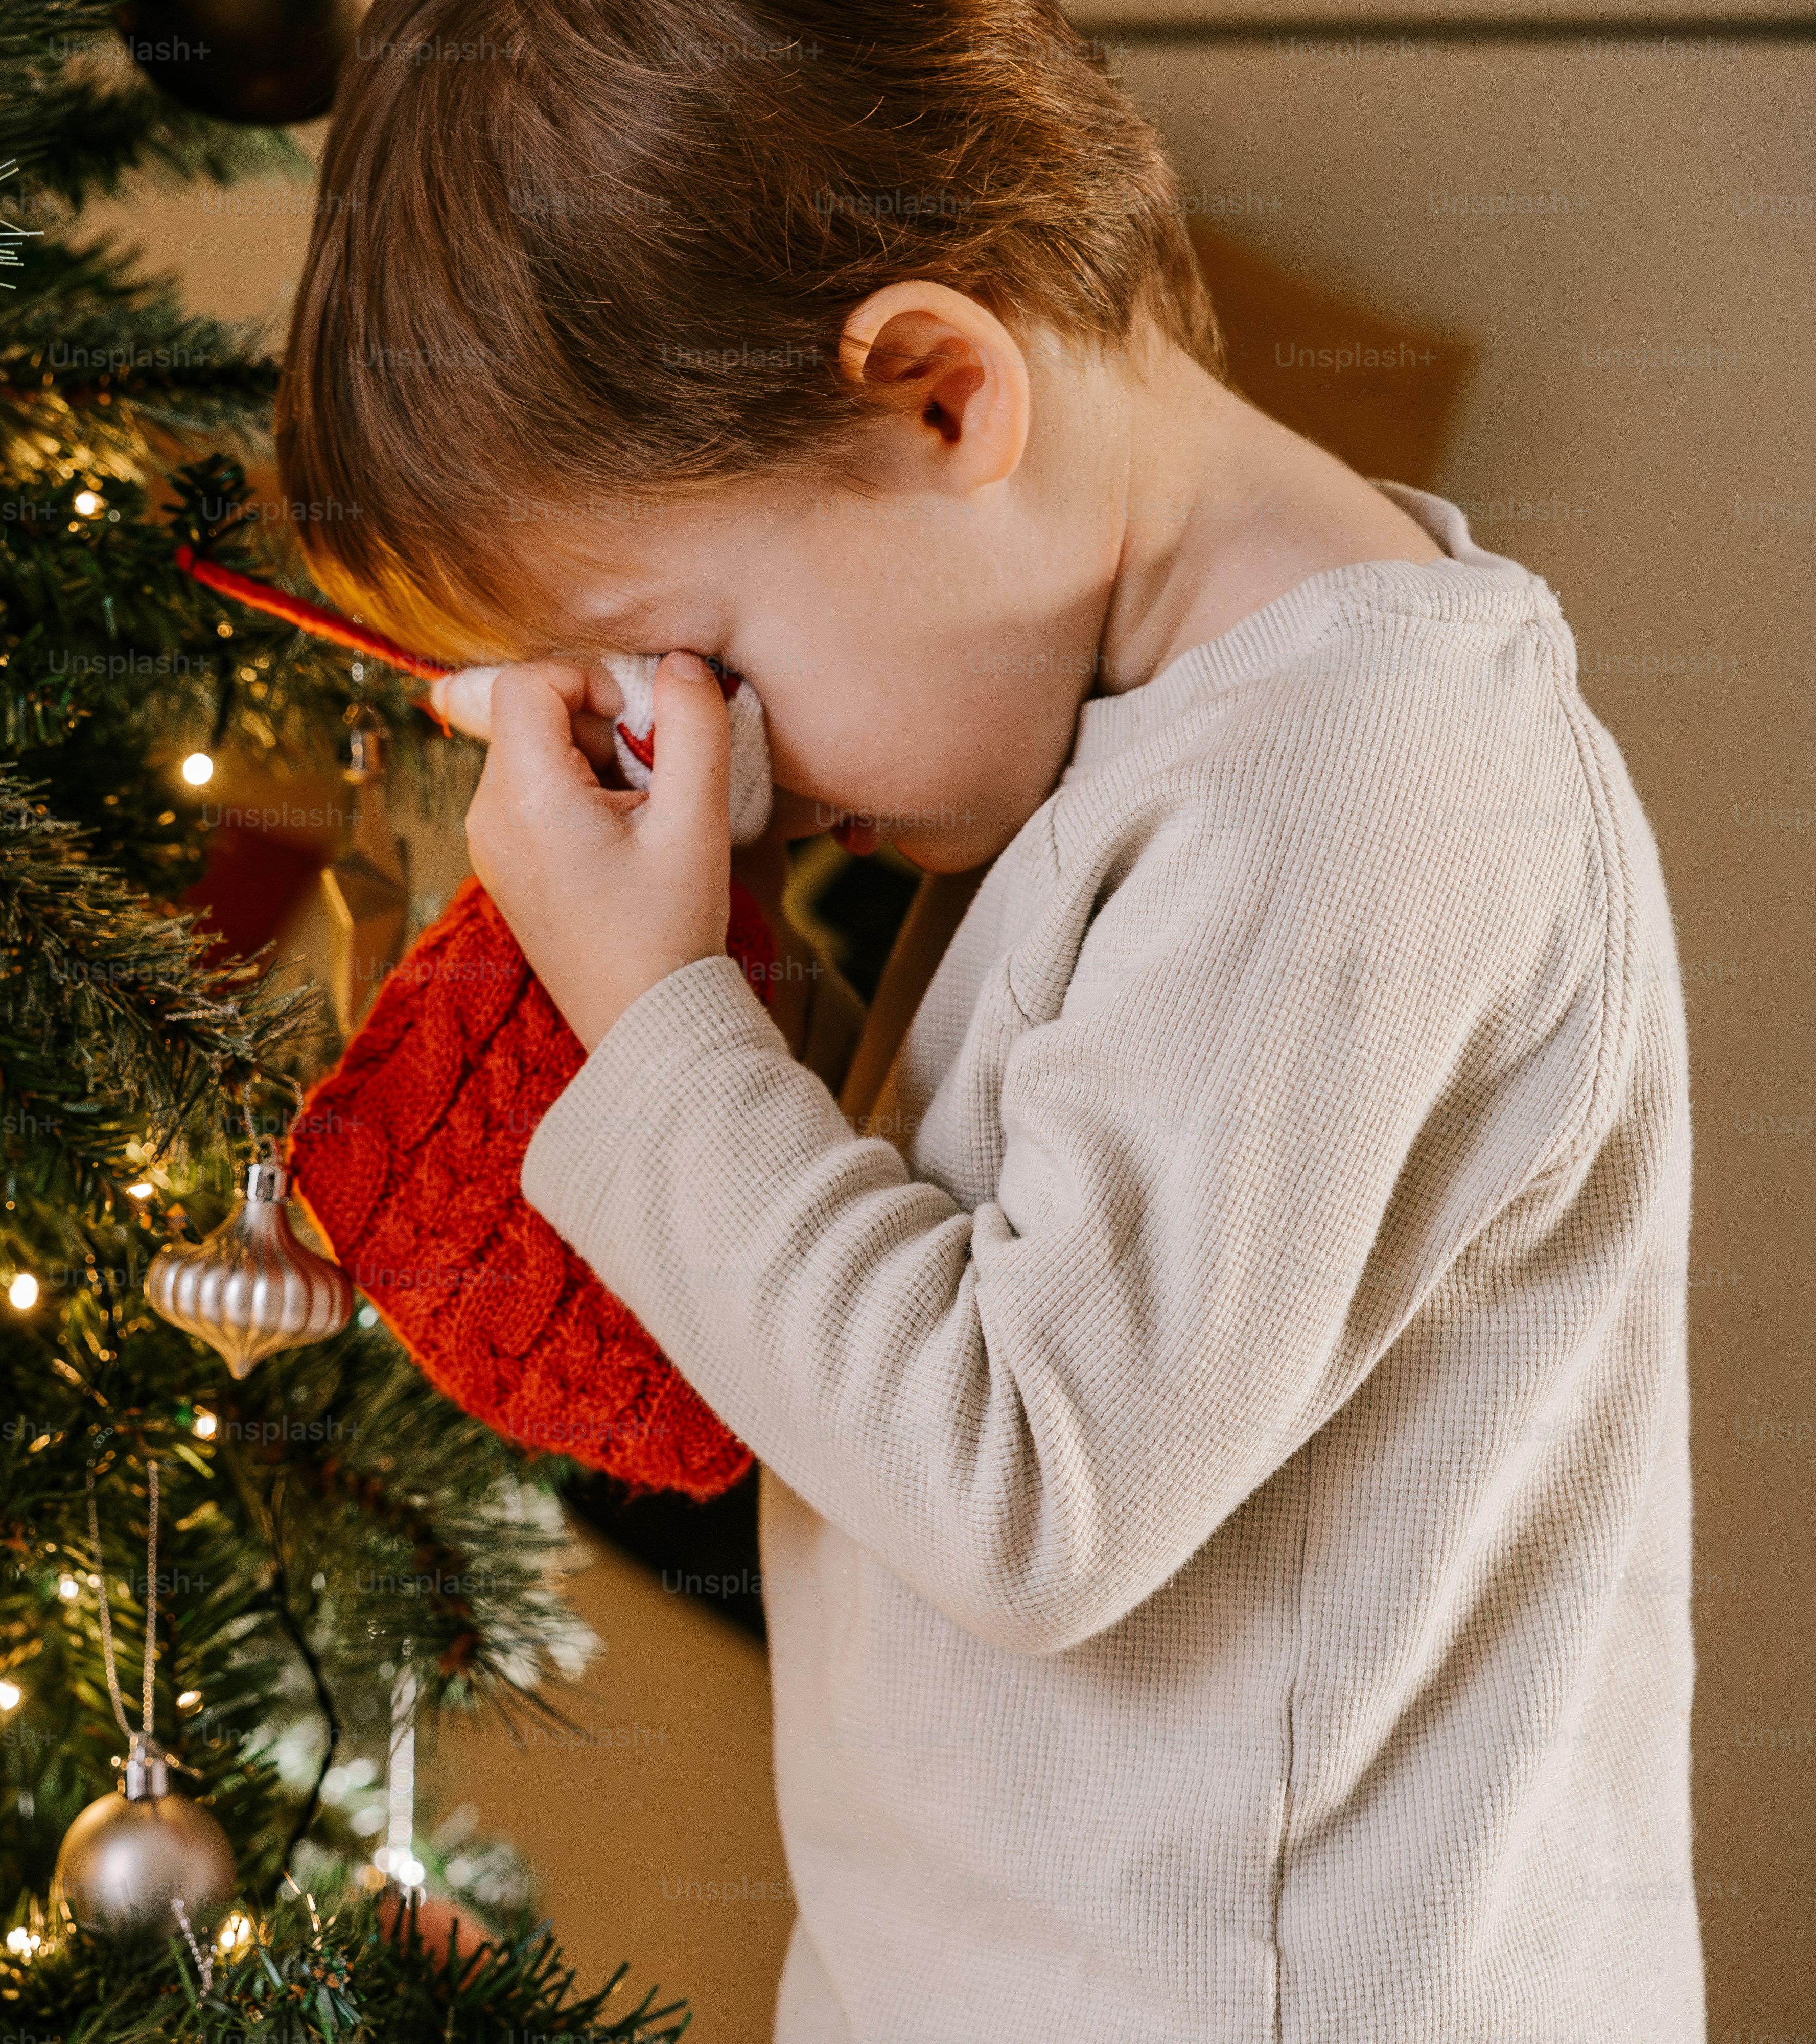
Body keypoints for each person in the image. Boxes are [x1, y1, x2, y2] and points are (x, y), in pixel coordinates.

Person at [273, 0, 1702, 2036]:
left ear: (945, 395)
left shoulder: (1360, 781)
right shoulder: (1123, 757)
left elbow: (1029, 1481)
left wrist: (658, 1005)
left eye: (703, 660)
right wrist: (714, 944)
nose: (707, 747)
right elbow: (971, 1282)